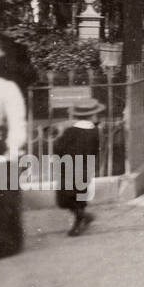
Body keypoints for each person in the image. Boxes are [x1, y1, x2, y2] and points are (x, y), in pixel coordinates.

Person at [0, 37, 27, 259]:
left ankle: (3, 242)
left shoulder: (5, 89)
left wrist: (12, 150)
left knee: (1, 197)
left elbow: (17, 121)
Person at [53, 100, 102, 237]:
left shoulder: (70, 131)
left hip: (68, 167)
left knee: (65, 197)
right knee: (79, 195)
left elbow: (58, 148)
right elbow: (94, 151)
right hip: (84, 168)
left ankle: (80, 219)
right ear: (92, 116)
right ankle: (82, 216)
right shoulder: (94, 131)